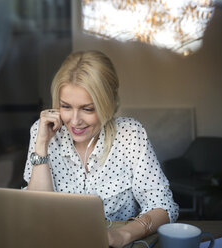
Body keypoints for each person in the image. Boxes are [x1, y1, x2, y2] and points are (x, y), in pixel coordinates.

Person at [23, 50, 179, 248]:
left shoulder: (130, 134)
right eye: (66, 107)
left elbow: (163, 207)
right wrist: (42, 145)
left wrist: (121, 236)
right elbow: (36, 214)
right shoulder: (42, 130)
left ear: (108, 103)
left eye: (88, 109)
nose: (75, 121)